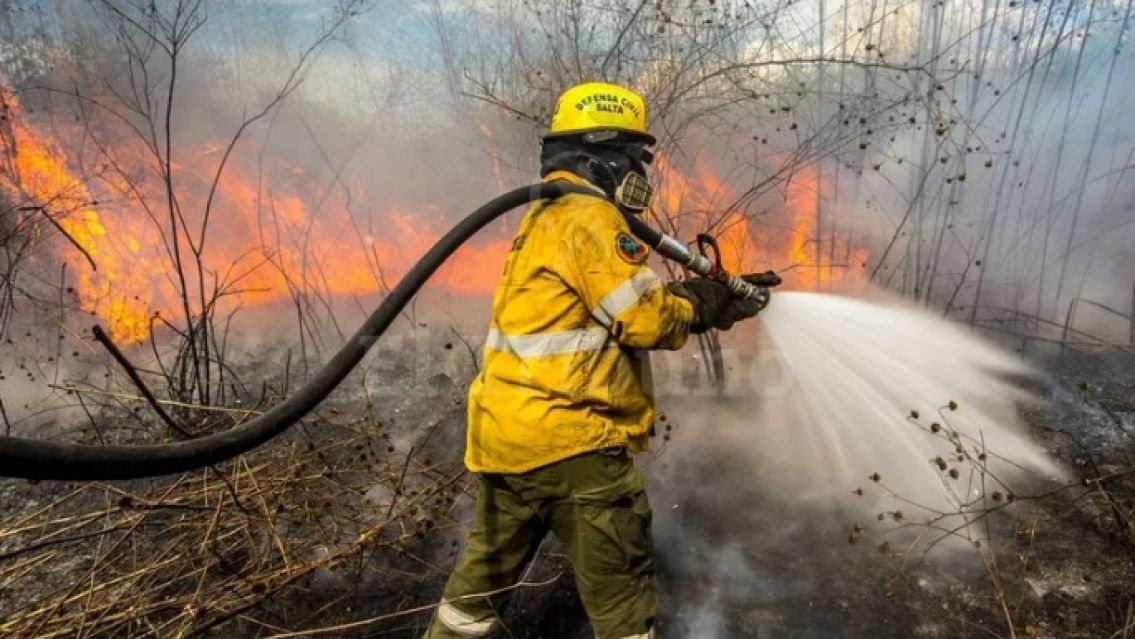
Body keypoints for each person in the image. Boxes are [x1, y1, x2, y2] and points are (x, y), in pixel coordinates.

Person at [425, 81, 774, 639]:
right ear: (603, 154)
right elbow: (647, 320)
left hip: (505, 437)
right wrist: (706, 302)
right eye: (638, 158)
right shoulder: (590, 219)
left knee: (474, 595)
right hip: (574, 444)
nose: (644, 173)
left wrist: (693, 296)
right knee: (624, 610)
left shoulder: (543, 216)